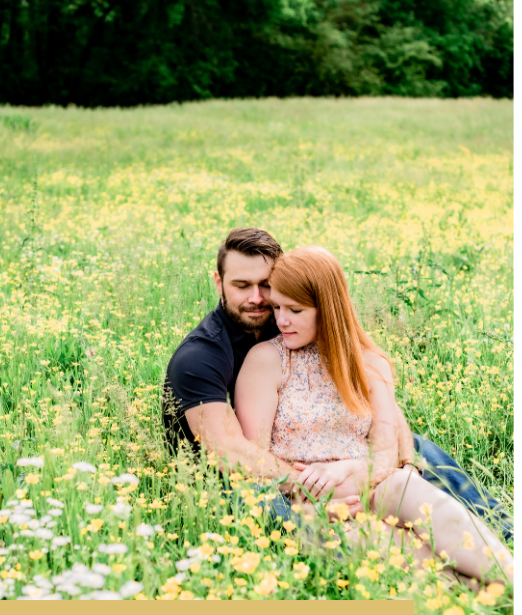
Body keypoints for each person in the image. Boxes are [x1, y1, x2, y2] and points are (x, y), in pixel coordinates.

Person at [164, 228, 512, 539]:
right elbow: (227, 450)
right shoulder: (200, 356)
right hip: (228, 476)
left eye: (266, 285)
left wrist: (393, 464)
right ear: (218, 281)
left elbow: (381, 405)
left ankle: (500, 533)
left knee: (418, 447)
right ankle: (333, 548)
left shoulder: (285, 317)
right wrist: (319, 488)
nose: (257, 298)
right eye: (242, 285)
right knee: (261, 501)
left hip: (308, 457)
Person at [234, 247, 513, 584]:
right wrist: (303, 505)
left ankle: (512, 577)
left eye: (295, 309)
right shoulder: (266, 360)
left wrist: (354, 469)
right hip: (310, 501)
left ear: (328, 308)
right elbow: (254, 460)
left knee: (428, 505)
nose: (281, 320)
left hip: (372, 482)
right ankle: (492, 595)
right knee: (413, 555)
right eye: (277, 307)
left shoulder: (370, 362)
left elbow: (386, 450)